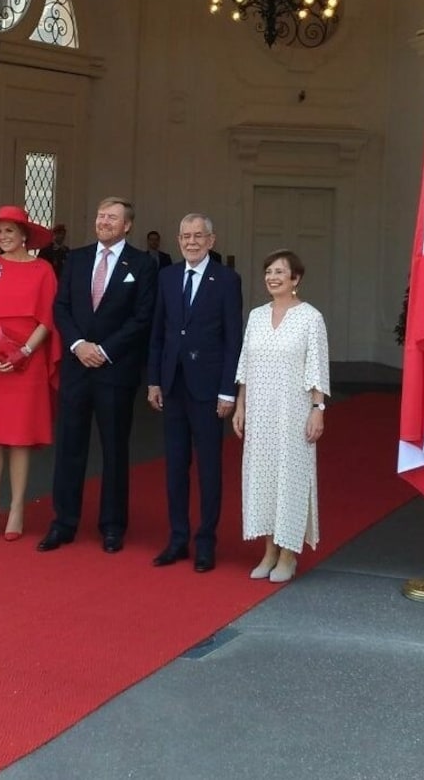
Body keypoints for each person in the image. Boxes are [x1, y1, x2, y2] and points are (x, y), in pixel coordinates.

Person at [37, 196, 157, 554]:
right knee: (70, 447)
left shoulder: (142, 264)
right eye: (101, 216)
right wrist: (77, 345)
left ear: (127, 225)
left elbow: (143, 317)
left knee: (115, 450)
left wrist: (103, 350)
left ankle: (112, 526)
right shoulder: (76, 258)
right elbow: (60, 307)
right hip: (77, 368)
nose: (104, 222)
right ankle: (64, 522)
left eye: (112, 218)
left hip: (115, 370)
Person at [147, 213, 242, 573]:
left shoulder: (227, 280)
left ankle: (206, 542)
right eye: (185, 236)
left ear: (211, 240)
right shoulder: (167, 276)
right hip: (172, 385)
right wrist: (154, 380)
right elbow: (158, 333)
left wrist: (227, 392)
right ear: (178, 239)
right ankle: (177, 538)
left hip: (208, 388)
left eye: (198, 236)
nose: (191, 242)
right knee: (174, 467)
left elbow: (233, 339)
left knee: (209, 468)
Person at [0, 205, 61, 541]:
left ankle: (17, 508)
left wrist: (25, 351)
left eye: (9, 231)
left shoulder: (44, 270)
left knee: (20, 439)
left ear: (24, 236)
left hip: (28, 359)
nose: (3, 237)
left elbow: (47, 318)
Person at [232, 250, 329, 583]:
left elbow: (317, 369)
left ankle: (289, 554)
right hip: (259, 412)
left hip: (294, 412)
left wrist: (318, 410)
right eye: (268, 271)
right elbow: (245, 365)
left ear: (295, 279)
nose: (272, 277)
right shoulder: (257, 316)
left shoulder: (310, 318)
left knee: (291, 479)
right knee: (262, 479)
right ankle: (269, 550)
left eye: (280, 272)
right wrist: (241, 406)